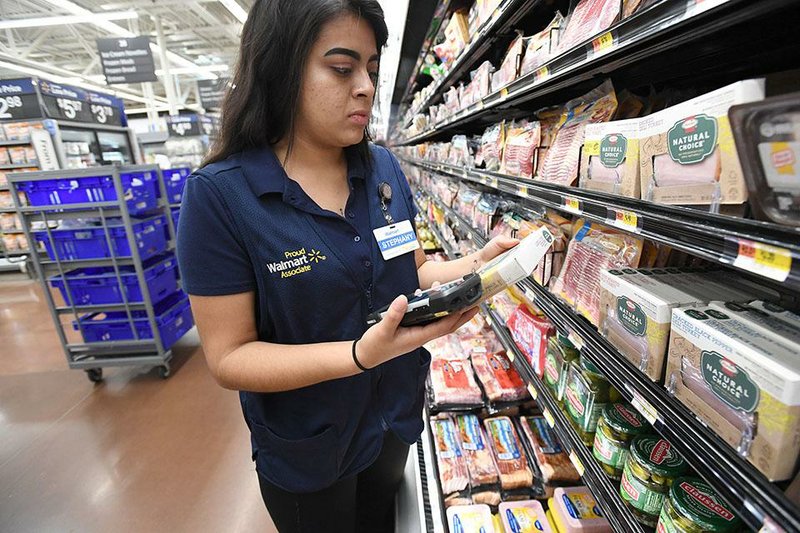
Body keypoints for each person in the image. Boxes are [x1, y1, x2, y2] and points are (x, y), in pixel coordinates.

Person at [176, 1, 517, 531]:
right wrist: (358, 355)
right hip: (309, 450)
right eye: (342, 68)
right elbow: (229, 357)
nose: (364, 86)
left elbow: (414, 271)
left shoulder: (381, 167)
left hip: (393, 422)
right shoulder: (221, 197)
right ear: (280, 65)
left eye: (372, 70)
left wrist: (480, 264)